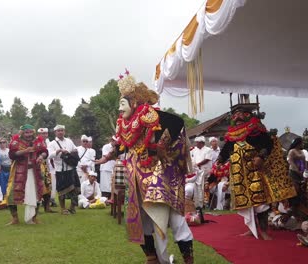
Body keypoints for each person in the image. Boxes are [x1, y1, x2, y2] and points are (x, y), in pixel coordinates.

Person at [98, 72, 194, 263]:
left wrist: (160, 147)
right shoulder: (124, 123)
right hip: (136, 179)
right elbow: (123, 145)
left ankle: (188, 259)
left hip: (159, 178)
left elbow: (177, 123)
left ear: (134, 103)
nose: (119, 108)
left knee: (175, 220)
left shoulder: (150, 114)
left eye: (122, 104)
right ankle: (152, 258)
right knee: (141, 221)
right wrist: (109, 156)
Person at [217, 105, 296, 240]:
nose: (238, 118)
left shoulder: (256, 128)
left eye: (241, 114)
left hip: (255, 170)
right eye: (235, 115)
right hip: (239, 173)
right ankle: (251, 229)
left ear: (248, 115)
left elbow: (267, 144)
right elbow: (226, 150)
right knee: (246, 203)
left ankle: (263, 230)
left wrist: (261, 156)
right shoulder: (231, 134)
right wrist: (220, 159)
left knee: (260, 203)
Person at [3, 124, 48, 225]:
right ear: (22, 132)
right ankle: (15, 219)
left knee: (37, 194)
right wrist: (25, 151)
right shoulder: (16, 141)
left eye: (30, 132)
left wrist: (41, 156)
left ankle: (34, 218)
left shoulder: (38, 140)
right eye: (26, 132)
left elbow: (45, 151)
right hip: (19, 170)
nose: (29, 134)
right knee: (11, 194)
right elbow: (12, 155)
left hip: (34, 171)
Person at [47, 124, 80, 215]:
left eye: (62, 130)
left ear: (64, 131)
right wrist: (58, 151)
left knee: (75, 188)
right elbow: (49, 155)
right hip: (60, 170)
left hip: (71, 168)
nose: (60, 132)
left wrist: (69, 153)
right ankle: (63, 208)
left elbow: (75, 150)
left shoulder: (69, 141)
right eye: (58, 131)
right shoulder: (52, 143)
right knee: (62, 190)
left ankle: (72, 207)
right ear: (55, 132)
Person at [190, 136, 212, 209]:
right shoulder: (194, 150)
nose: (196, 144)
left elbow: (207, 159)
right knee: (197, 187)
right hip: (196, 171)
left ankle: (205, 204)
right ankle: (197, 204)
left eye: (198, 143)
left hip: (205, 171)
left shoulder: (208, 149)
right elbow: (192, 159)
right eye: (196, 143)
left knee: (204, 188)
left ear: (202, 143)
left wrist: (198, 164)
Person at [38, 127, 57, 207]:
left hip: (48, 166)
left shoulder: (49, 142)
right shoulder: (36, 142)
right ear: (39, 134)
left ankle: (48, 204)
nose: (44, 135)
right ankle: (39, 202)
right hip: (40, 166)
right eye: (42, 133)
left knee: (49, 185)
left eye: (45, 133)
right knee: (40, 184)